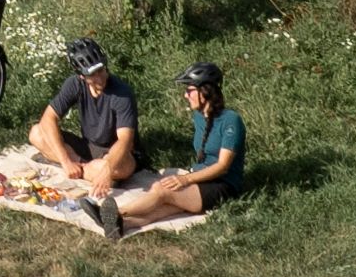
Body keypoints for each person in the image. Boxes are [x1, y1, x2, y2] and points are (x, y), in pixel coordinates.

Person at [81, 63, 247, 236]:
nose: (185, 95)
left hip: (223, 186)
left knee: (161, 190)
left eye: (189, 90)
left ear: (205, 91)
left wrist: (186, 179)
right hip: (201, 178)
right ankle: (123, 226)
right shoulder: (199, 116)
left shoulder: (231, 120)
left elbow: (222, 167)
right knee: (167, 206)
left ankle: (115, 213)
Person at [25, 39, 137, 199]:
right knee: (36, 133)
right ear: (81, 76)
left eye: (101, 71)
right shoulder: (74, 84)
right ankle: (84, 169)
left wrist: (107, 169)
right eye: (92, 75)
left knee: (124, 167)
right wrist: (66, 161)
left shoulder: (122, 93)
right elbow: (48, 118)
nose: (99, 78)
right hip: (86, 147)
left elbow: (125, 140)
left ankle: (88, 171)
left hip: (112, 152)